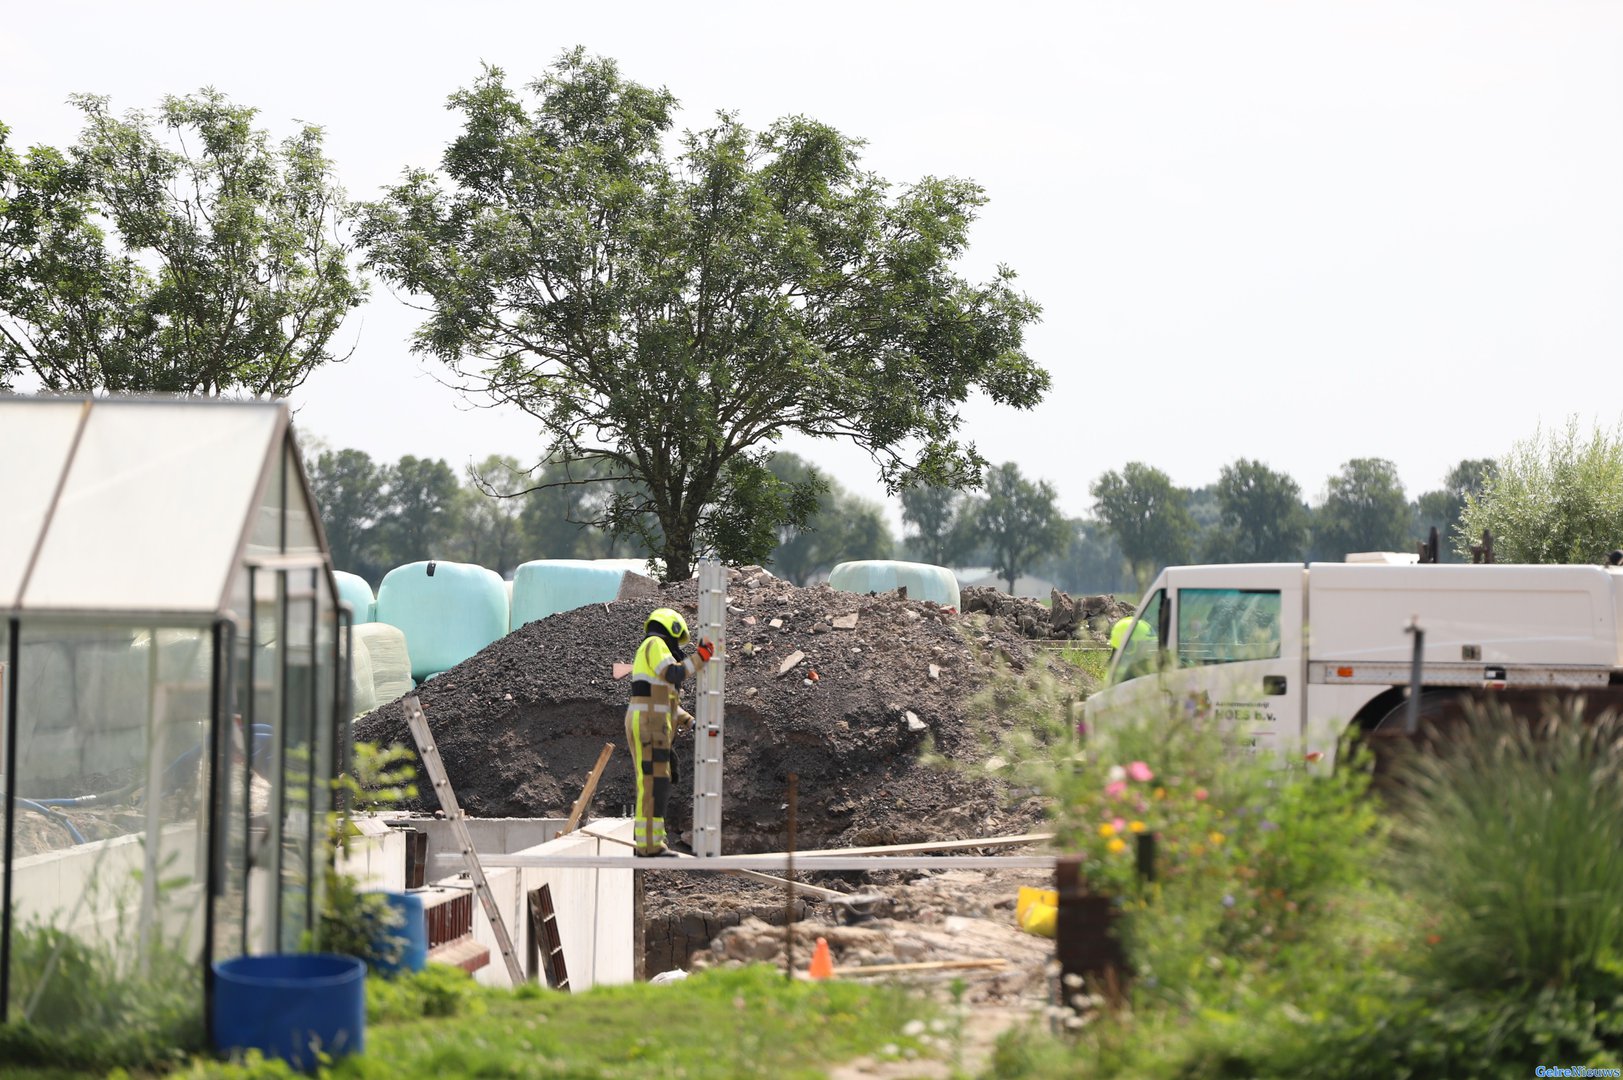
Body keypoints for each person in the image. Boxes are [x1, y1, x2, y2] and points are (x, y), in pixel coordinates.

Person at [626, 607, 715, 857]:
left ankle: (651, 842)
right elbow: (673, 672)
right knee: (653, 784)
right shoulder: (654, 644)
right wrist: (701, 657)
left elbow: (667, 702)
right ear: (672, 628)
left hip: (652, 721)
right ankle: (649, 845)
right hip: (649, 722)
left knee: (658, 784)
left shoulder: (652, 651)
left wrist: (691, 722)